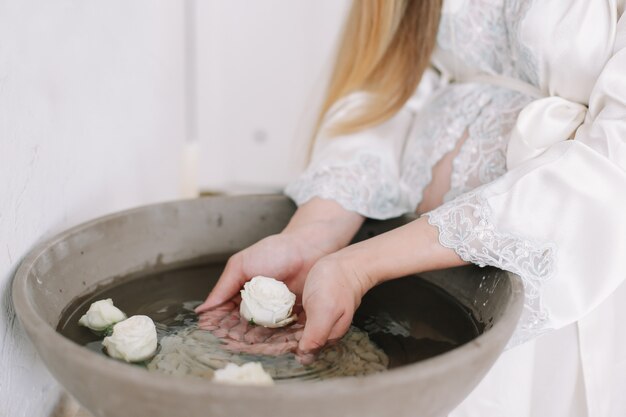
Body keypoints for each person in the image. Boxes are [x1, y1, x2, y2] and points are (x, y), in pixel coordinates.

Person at [196, 1, 626, 415]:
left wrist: (360, 265)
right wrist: (313, 233)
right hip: (415, 289)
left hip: (554, 288)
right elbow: (390, 87)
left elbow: (615, 156)